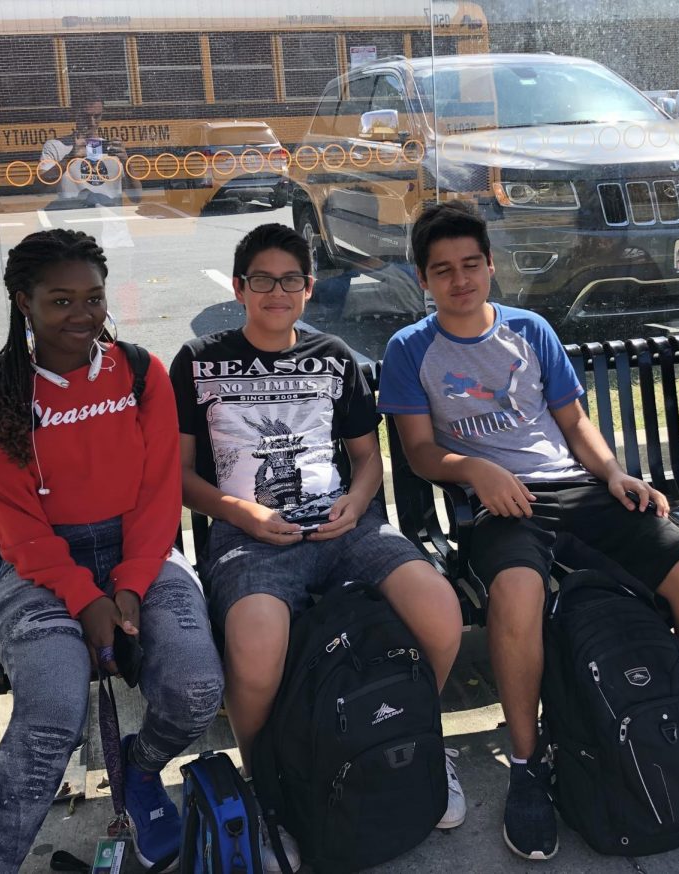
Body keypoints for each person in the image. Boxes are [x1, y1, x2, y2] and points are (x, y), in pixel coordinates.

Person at [377, 201, 679, 860]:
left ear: (490, 265)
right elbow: (416, 452)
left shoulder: (530, 330)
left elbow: (575, 424)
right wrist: (475, 469)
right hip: (497, 510)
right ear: (424, 278)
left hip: (576, 492)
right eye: (443, 271)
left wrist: (614, 474)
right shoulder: (411, 350)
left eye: (471, 265)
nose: (460, 280)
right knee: (518, 597)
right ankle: (527, 765)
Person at [169, 223, 466, 873]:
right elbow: (182, 476)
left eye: (291, 280)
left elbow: (368, 460)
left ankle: (417, 737)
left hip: (344, 529)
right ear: (239, 286)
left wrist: (358, 503)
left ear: (308, 289)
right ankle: (270, 787)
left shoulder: (334, 357)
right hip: (252, 538)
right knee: (256, 641)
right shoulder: (198, 360)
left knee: (439, 611)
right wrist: (235, 508)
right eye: (263, 280)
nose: (278, 292)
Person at [0, 229, 223, 873]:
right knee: (52, 713)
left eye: (94, 299)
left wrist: (131, 584)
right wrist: (85, 600)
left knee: (197, 689)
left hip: (143, 550)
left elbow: (159, 493)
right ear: (24, 302)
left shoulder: (140, 373)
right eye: (60, 301)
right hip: (41, 569)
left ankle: (138, 766)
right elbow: (18, 528)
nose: (81, 316)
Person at [39, 85, 141, 208]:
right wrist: (70, 159)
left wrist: (126, 162)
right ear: (74, 113)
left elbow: (136, 197)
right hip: (77, 222)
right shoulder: (56, 146)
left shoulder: (109, 148)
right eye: (86, 116)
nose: (92, 123)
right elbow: (39, 188)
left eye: (97, 116)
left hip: (112, 224)